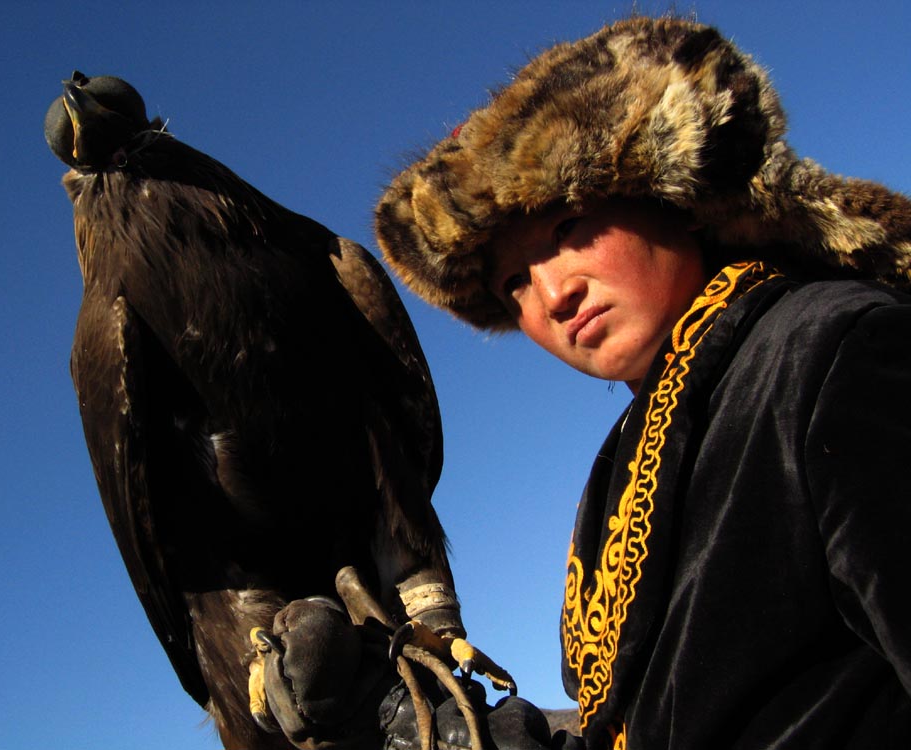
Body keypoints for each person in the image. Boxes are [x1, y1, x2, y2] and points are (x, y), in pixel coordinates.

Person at [260, 15, 911, 750]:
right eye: (513, 284)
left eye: (567, 228)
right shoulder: (617, 470)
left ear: (669, 195)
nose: (551, 295)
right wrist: (428, 727)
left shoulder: (834, 351)